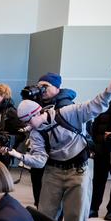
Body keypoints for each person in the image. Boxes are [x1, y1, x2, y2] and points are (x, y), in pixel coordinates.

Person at [8, 71, 111, 221]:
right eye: (26, 122)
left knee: (76, 217)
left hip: (79, 170)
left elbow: (98, 104)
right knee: (46, 214)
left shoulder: (68, 112)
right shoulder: (36, 131)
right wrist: (18, 156)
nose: (29, 125)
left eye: (30, 120)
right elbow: (40, 160)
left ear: (37, 113)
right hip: (53, 171)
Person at [29, 73, 78, 206]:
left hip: (57, 157)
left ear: (57, 88)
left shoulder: (66, 105)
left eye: (46, 86)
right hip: (39, 153)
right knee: (38, 193)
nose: (42, 89)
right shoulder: (37, 103)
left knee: (53, 198)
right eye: (39, 86)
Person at [89, 80, 111, 221]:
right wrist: (96, 144)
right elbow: (94, 127)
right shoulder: (105, 103)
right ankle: (94, 208)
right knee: (98, 180)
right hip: (102, 149)